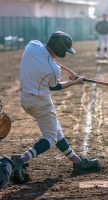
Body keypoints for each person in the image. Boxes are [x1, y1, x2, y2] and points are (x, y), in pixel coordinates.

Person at [11, 31, 99, 184]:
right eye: (64, 50)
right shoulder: (53, 69)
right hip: (40, 103)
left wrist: (70, 72)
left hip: (25, 98)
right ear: (59, 49)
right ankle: (21, 159)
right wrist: (75, 82)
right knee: (51, 138)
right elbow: (56, 86)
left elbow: (47, 59)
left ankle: (78, 162)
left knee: (56, 131)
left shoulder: (33, 45)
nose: (64, 53)